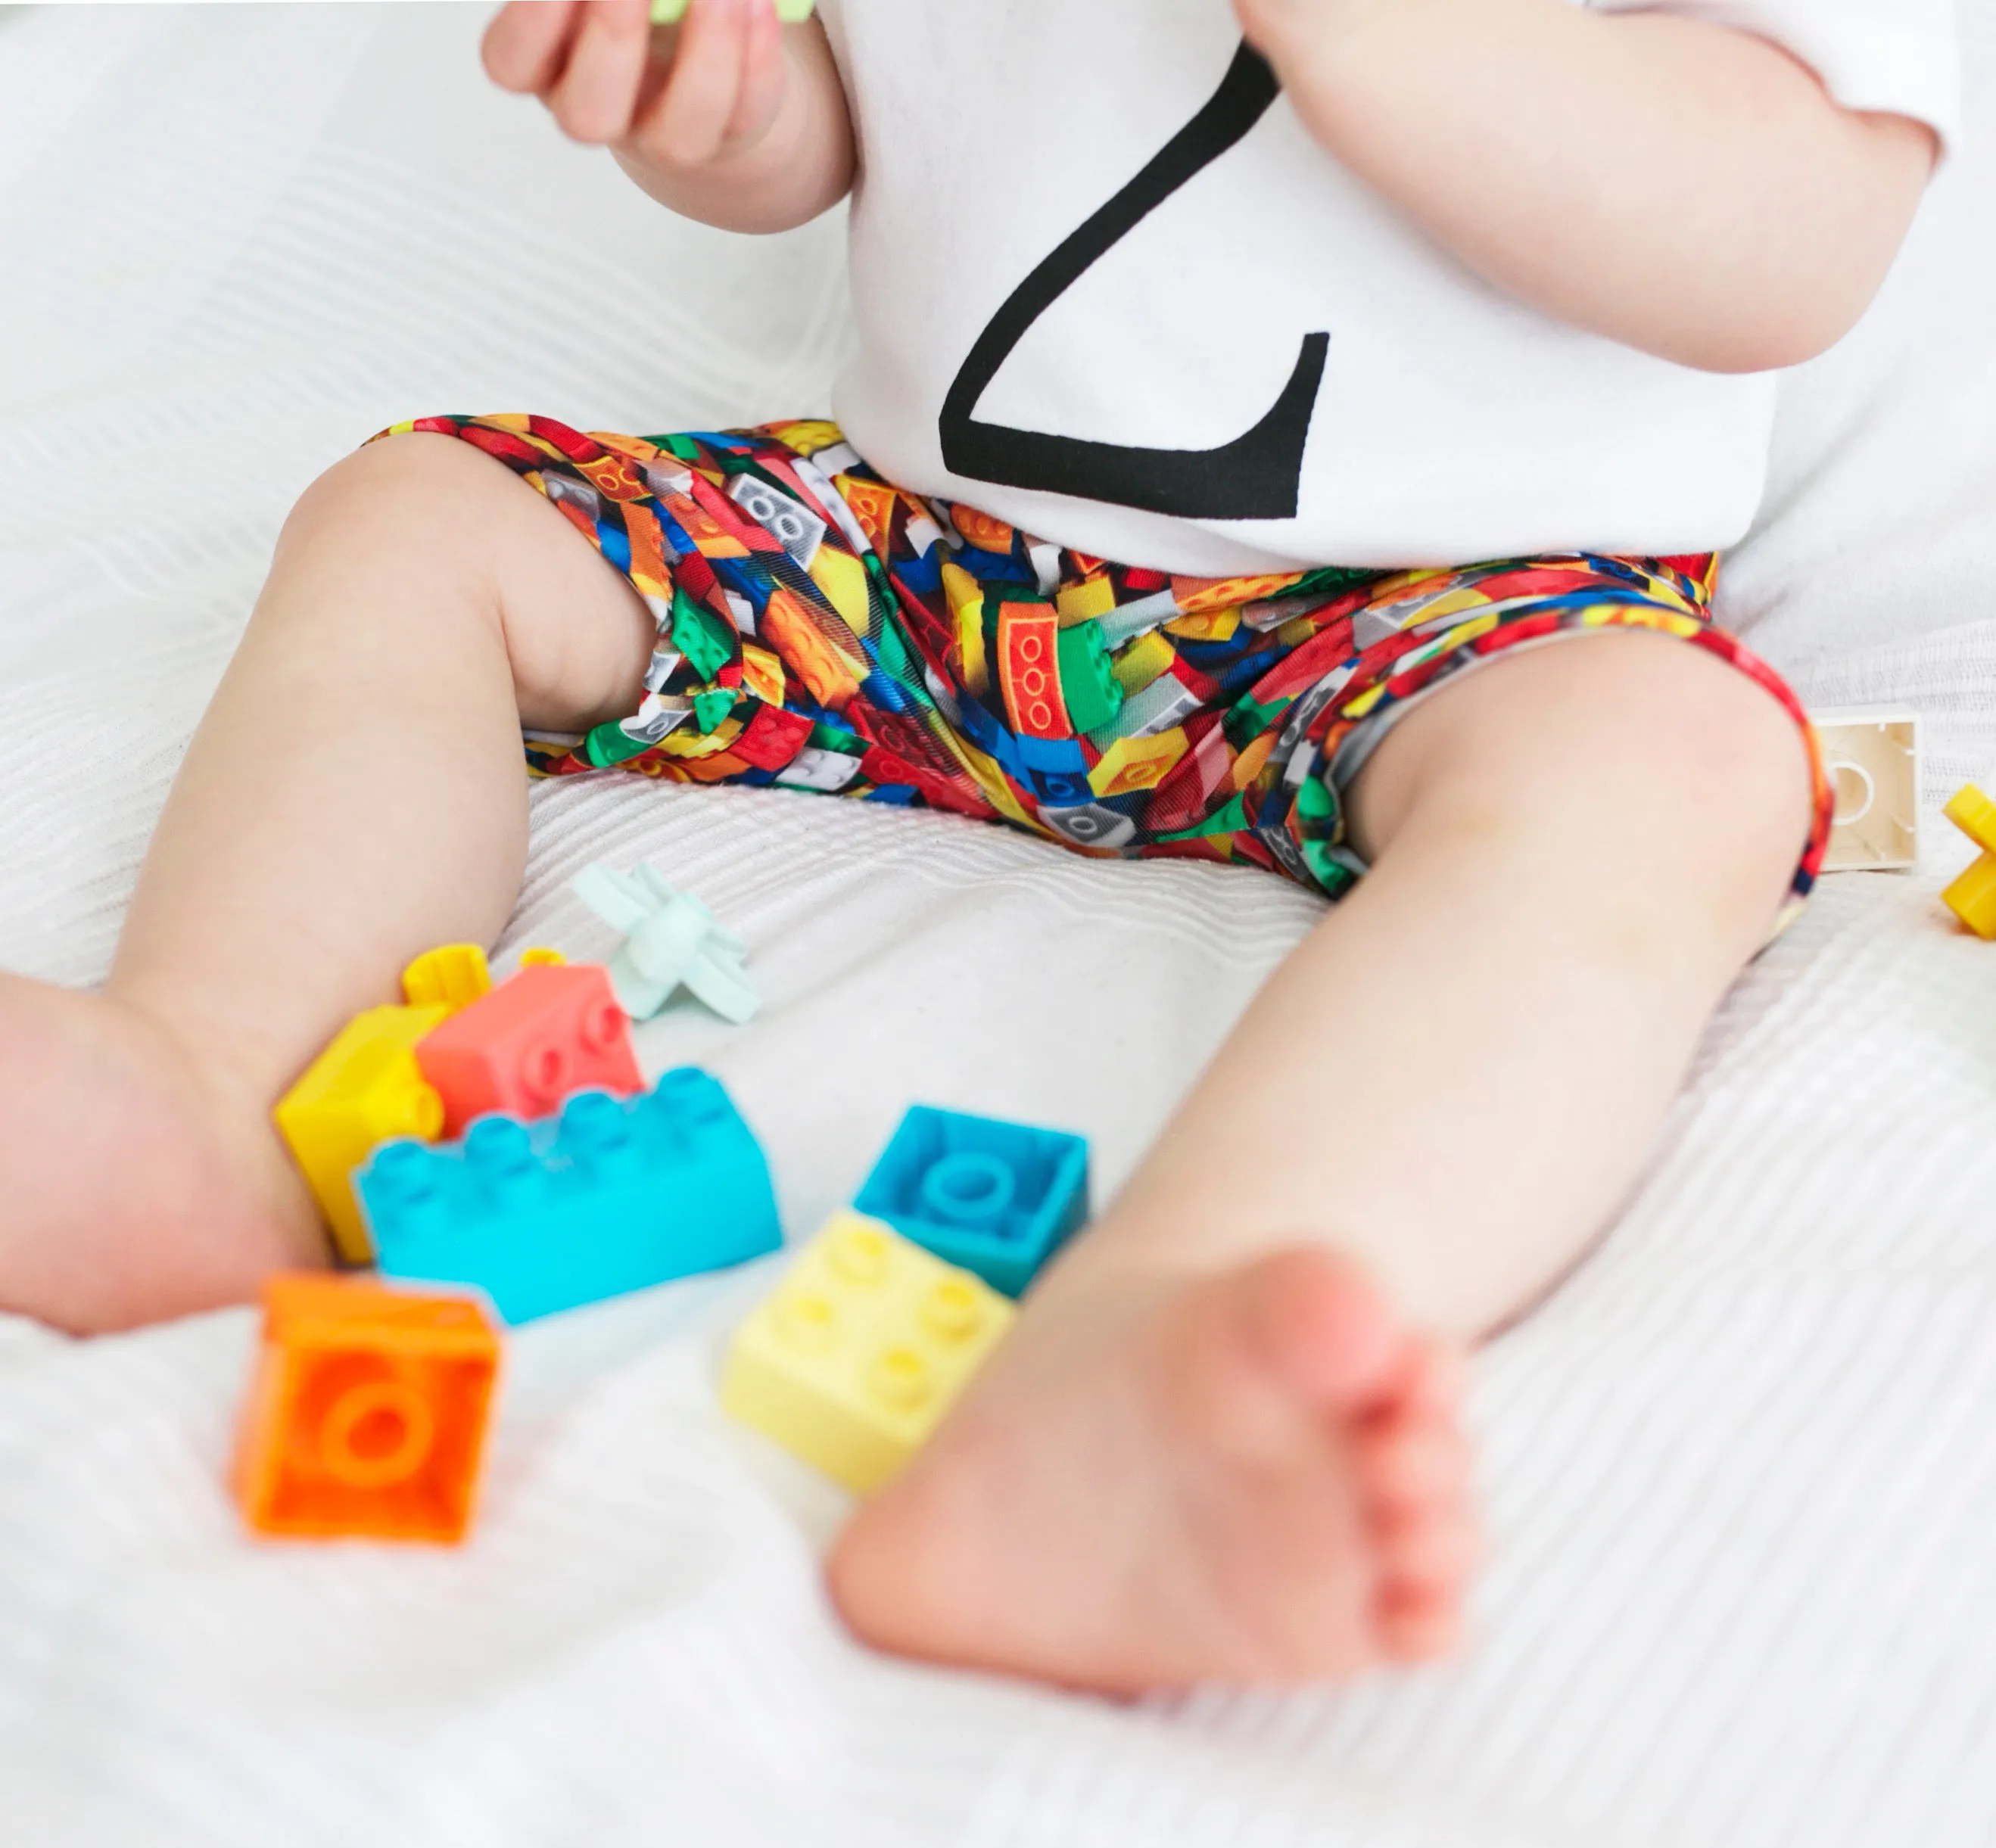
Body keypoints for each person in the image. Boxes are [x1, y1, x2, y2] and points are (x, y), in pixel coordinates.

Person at [0, 0, 1956, 1694]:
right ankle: (216, 1084)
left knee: (1673, 765)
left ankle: (1146, 1360)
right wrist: (736, 105)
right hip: (931, 565)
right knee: (421, 515)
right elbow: (867, 124)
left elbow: (1785, 243)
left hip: (1462, 611)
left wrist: (1387, 35)